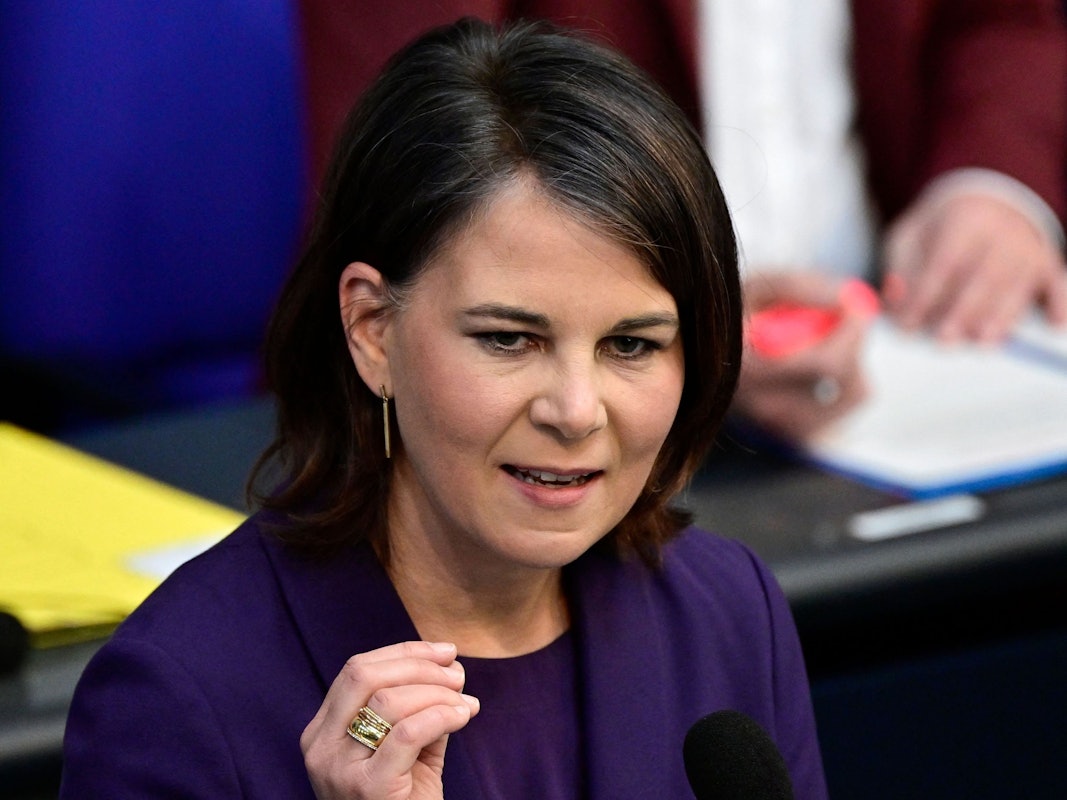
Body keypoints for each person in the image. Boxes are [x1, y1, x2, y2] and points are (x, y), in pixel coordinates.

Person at [60, 18, 827, 799]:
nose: (575, 411)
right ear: (372, 329)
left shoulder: (727, 613)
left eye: (630, 345)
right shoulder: (180, 692)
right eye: (508, 339)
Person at [298, 0, 1067, 441]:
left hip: (908, 361)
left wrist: (991, 184)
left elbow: (1002, 19)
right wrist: (672, 339)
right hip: (566, 418)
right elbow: (410, 147)